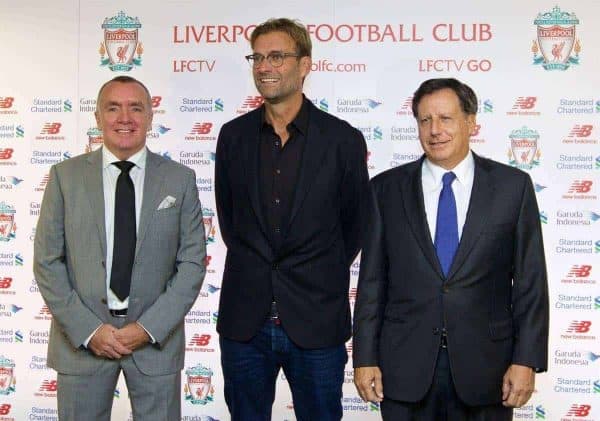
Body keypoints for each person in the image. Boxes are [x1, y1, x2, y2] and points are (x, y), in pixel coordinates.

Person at [352, 78, 549, 420]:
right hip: (404, 369)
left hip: (488, 371)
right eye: (425, 120)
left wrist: (526, 359)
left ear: (471, 122)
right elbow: (372, 283)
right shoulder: (385, 189)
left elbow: (531, 283)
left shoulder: (512, 188)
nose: (434, 130)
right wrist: (365, 357)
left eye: (446, 118)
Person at [215, 17, 369, 421]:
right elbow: (230, 223)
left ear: (304, 65)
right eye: (258, 57)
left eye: (277, 56)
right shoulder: (232, 137)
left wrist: (315, 272)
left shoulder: (343, 140)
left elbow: (354, 227)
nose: (264, 66)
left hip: (316, 323)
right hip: (244, 323)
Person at [33, 75, 206, 421]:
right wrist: (89, 331)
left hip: (156, 343)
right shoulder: (65, 177)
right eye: (113, 108)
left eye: (135, 108)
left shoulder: (179, 179)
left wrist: (147, 328)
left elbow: (192, 264)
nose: (124, 118)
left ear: (150, 117)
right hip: (81, 344)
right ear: (97, 118)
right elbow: (47, 262)